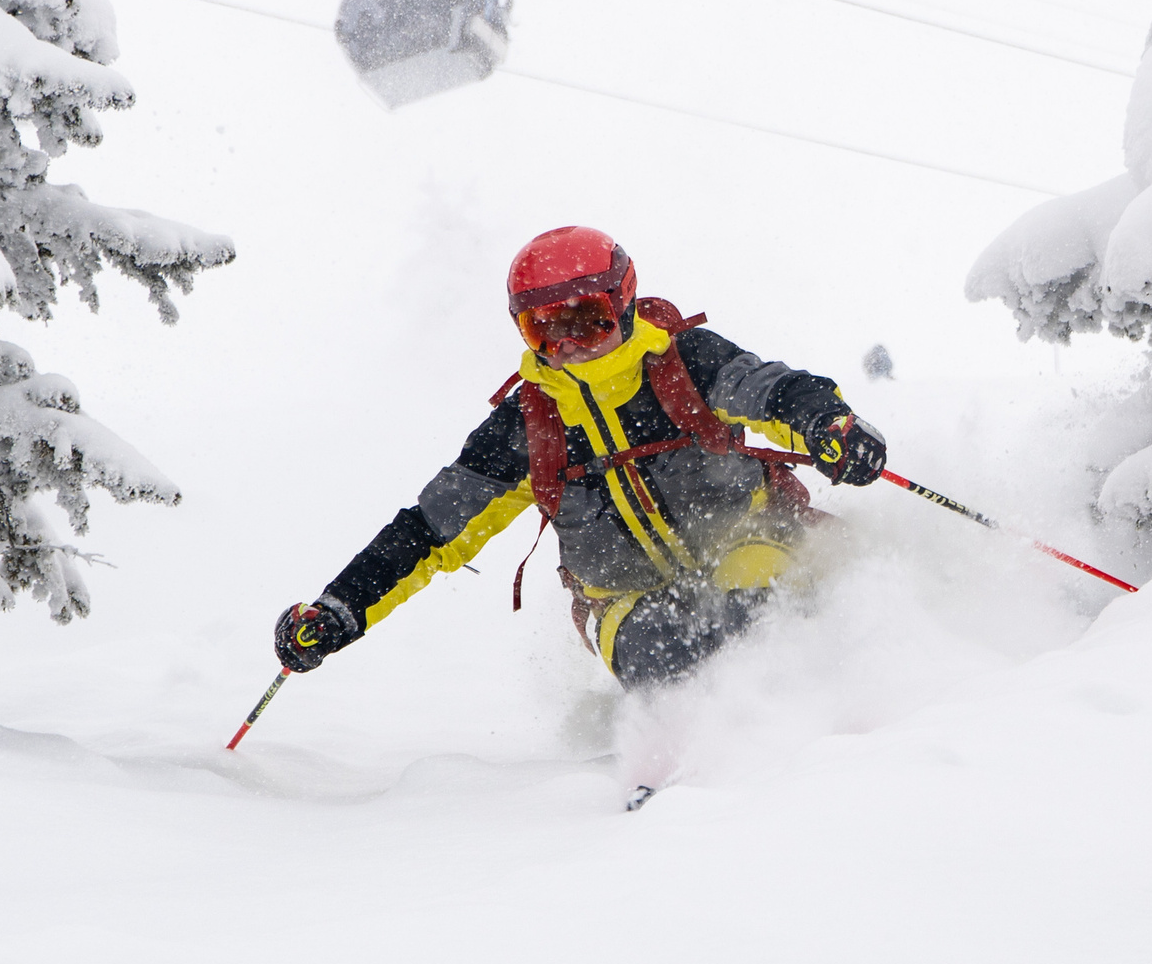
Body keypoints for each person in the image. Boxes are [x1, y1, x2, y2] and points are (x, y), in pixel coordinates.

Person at [273, 226, 887, 687]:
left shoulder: (685, 363)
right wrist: (339, 608)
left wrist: (830, 424)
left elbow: (774, 390)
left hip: (751, 540)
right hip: (621, 596)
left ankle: (828, 729)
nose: (569, 345)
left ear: (621, 303)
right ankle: (687, 768)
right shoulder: (526, 427)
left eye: (588, 321)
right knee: (658, 652)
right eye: (546, 329)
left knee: (752, 605)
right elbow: (430, 532)